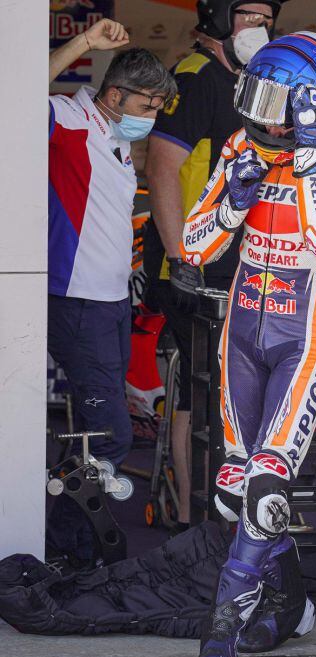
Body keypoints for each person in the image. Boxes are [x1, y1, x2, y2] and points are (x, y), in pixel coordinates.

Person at [180, 31, 316, 657]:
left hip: (306, 340)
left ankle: (223, 626)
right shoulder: (242, 145)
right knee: (235, 489)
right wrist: (231, 209)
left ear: (311, 103)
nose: (261, 115)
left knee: (268, 480)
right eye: (254, 95)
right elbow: (194, 247)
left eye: (275, 101)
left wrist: (310, 162)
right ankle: (292, 605)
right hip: (240, 332)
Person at [143, 0, 283, 530]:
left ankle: (221, 512)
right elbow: (161, 167)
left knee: (228, 388)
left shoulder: (252, 81)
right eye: (249, 15)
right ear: (218, 16)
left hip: (241, 261)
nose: (260, 27)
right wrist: (181, 257)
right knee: (203, 391)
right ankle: (193, 516)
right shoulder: (196, 76)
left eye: (267, 17)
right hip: (193, 265)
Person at [47, 20, 176, 562]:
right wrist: (82, 45)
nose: (149, 119)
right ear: (115, 94)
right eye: (146, 107)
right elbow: (10, 91)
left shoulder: (114, 137)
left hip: (111, 299)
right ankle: (65, 547)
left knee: (100, 431)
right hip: (75, 300)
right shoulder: (68, 117)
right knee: (111, 436)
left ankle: (74, 549)